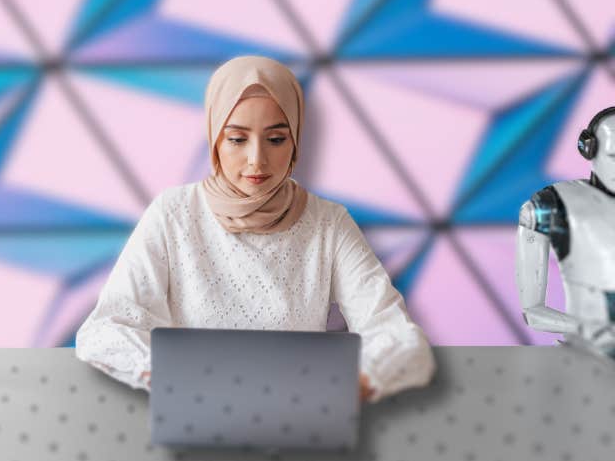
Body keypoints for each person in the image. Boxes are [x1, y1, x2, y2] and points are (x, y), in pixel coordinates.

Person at [75, 56, 435, 401]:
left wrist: (360, 382)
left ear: (295, 138)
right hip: (194, 420)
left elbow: (399, 336)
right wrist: (159, 372)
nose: (256, 159)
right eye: (237, 139)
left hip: (300, 421)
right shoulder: (174, 214)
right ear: (215, 137)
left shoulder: (328, 224)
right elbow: (104, 329)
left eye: (276, 139)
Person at [517, 106, 615, 357]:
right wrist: (587, 327)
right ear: (589, 150)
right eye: (614, 155)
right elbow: (533, 312)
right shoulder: (551, 206)